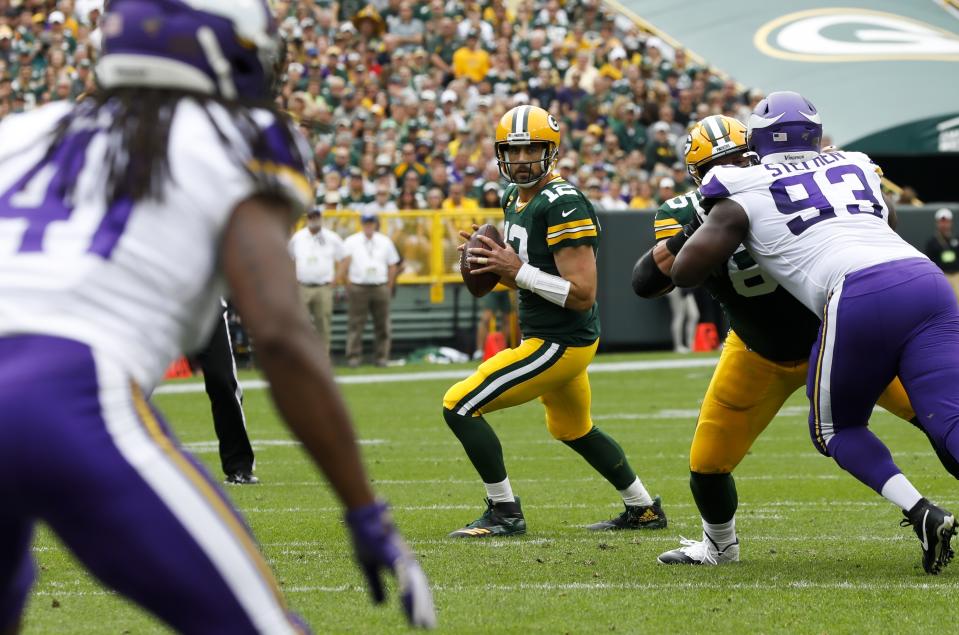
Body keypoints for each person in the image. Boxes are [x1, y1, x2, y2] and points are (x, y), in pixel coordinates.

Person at [0, 2, 435, 632]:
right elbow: (281, 335)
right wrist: (364, 509)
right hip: (66, 396)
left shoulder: (22, 130)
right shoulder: (237, 137)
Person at [670, 91, 959, 574]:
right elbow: (887, 220)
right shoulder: (856, 162)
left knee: (834, 428)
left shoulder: (738, 183)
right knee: (949, 421)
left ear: (756, 140)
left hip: (859, 294)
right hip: (924, 280)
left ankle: (921, 511)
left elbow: (683, 273)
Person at [444, 105, 666, 538]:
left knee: (459, 404)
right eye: (514, 150)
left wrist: (514, 269)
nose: (523, 159)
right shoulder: (513, 198)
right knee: (572, 428)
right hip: (552, 335)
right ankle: (643, 509)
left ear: (552, 151)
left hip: (559, 340)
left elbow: (582, 295)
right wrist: (492, 265)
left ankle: (504, 511)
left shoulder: (564, 203)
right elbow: (529, 277)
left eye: (533, 149)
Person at [194, 299, 258, 485]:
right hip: (154, 302)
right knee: (134, 385)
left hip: (206, 305)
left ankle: (239, 466)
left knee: (222, 381)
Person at [340, 212, 400, 367]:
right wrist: (348, 284)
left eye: (371, 223)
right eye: (366, 223)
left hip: (379, 286)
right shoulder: (351, 241)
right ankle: (353, 357)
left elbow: (393, 264)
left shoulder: (384, 241)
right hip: (358, 286)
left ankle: (382, 357)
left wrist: (389, 285)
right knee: (355, 324)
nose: (368, 225)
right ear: (362, 224)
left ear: (375, 224)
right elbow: (343, 264)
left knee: (382, 324)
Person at [289, 206, 346, 355]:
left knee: (323, 324)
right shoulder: (298, 237)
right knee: (299, 323)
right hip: (302, 286)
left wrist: (336, 279)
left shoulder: (332, 237)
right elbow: (289, 259)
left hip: (323, 286)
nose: (314, 220)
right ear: (307, 219)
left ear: (321, 218)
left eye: (316, 217)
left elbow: (345, 257)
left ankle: (322, 358)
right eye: (311, 217)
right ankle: (302, 356)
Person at [924, 207, 959, 301]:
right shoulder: (932, 243)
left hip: (956, 275)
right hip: (941, 276)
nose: (944, 224)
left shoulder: (956, 240)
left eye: (946, 221)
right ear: (937, 223)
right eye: (942, 221)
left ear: (951, 223)